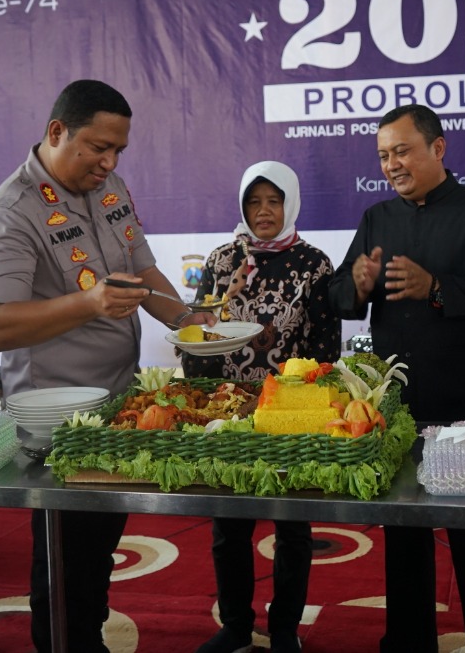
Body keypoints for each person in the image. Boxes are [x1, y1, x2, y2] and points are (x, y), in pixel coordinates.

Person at [0, 79, 210, 653]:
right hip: (59, 425)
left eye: (119, 150)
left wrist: (191, 324)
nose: (110, 163)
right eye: (99, 148)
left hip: (118, 407)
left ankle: (88, 639)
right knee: (63, 563)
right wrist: (90, 303)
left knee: (98, 552)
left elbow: (142, 271)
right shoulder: (10, 213)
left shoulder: (109, 187)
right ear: (57, 132)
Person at [327, 104, 465, 653]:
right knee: (404, 538)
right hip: (396, 409)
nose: (391, 164)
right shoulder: (377, 218)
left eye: (402, 151)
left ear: (438, 148)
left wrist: (436, 286)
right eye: (383, 155)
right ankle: (409, 641)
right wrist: (357, 284)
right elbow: (339, 296)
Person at [182, 161, 338, 653]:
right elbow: (197, 335)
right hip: (229, 412)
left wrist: (301, 401)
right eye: (254, 201)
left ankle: (285, 629)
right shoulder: (223, 260)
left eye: (274, 201)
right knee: (229, 525)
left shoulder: (314, 264)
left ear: (290, 204)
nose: (264, 211)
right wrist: (209, 401)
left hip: (289, 415)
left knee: (292, 526)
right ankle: (234, 626)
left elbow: (326, 347)